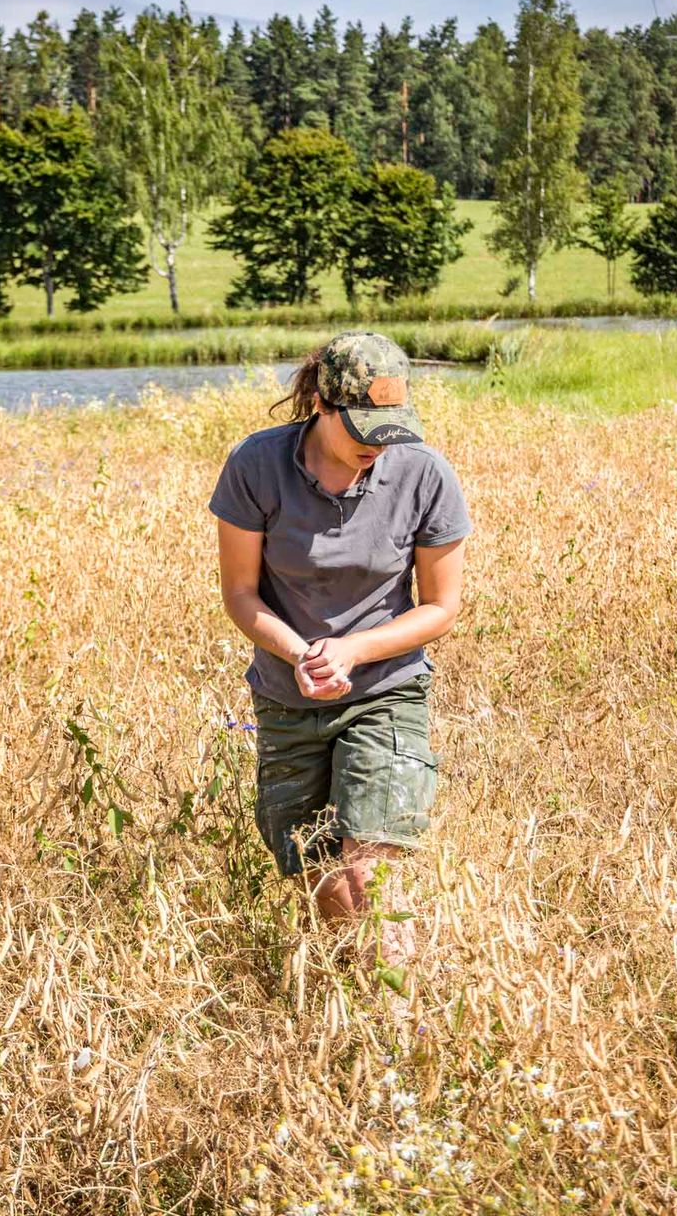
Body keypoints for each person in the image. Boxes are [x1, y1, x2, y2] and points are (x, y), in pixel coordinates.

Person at [209, 330, 470, 971]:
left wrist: (353, 651)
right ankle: (352, 997)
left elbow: (441, 606)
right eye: (362, 438)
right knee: (314, 864)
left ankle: (402, 1017)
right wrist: (303, 655)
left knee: (370, 865)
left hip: (386, 688)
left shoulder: (426, 474)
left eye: (391, 433)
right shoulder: (256, 466)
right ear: (324, 405)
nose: (376, 453)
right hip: (286, 695)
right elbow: (241, 594)